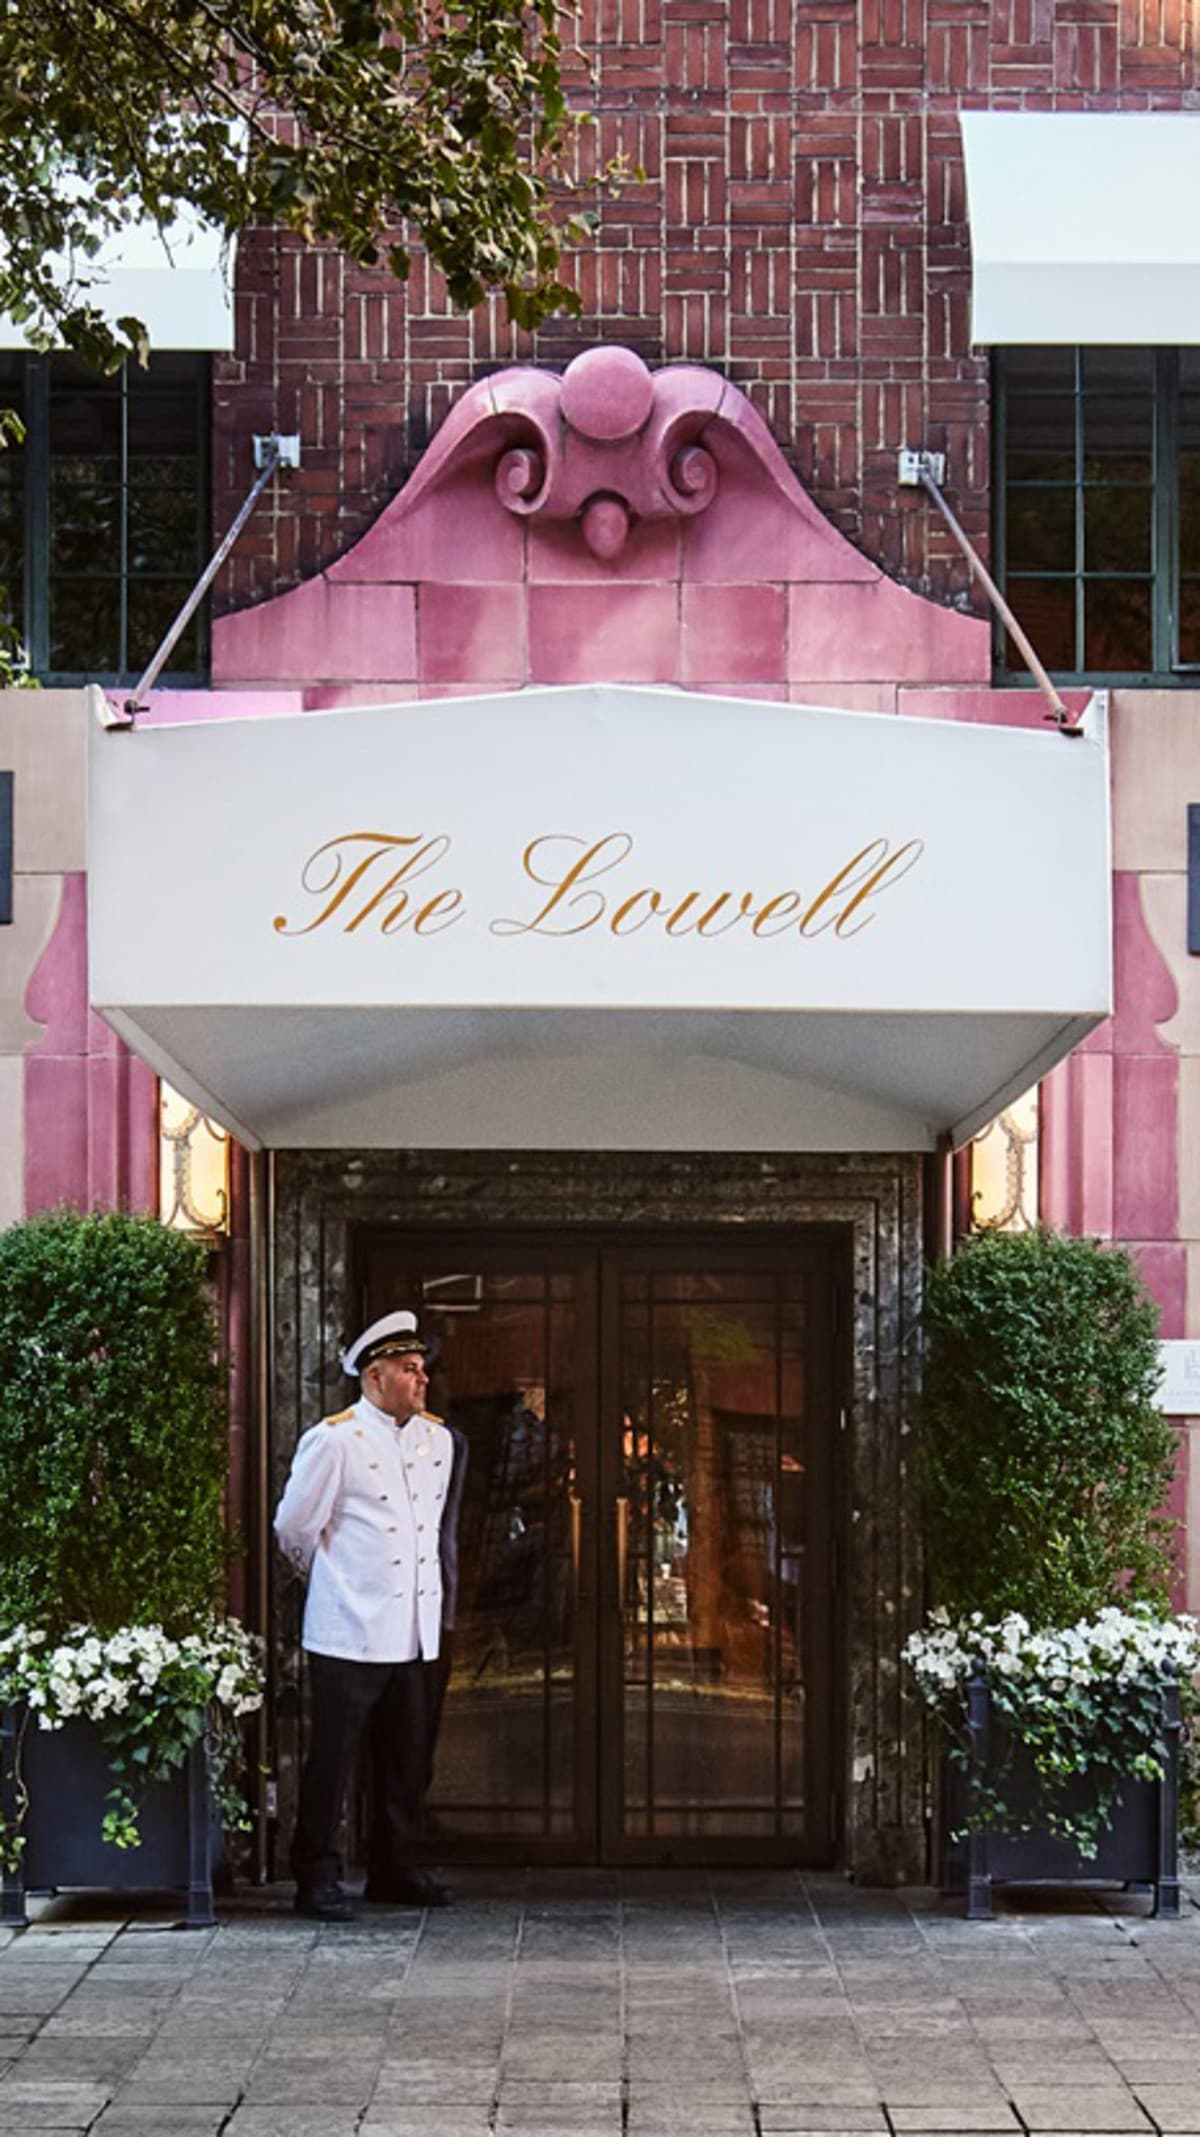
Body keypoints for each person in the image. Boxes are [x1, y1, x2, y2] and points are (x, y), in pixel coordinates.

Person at [274, 1308, 464, 1920]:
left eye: (422, 1370)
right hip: (349, 1627)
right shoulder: (335, 1439)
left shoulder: (439, 1441)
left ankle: (395, 1867)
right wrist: (329, 1580)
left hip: (415, 1627)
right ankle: (316, 1875)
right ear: (375, 1376)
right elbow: (294, 1526)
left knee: (408, 1758)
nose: (421, 1380)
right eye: (409, 1370)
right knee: (331, 1759)